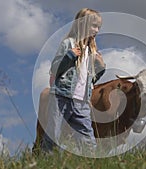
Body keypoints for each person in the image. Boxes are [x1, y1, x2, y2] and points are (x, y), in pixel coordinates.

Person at [41, 8, 105, 155]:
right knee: (53, 134)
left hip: (82, 102)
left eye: (98, 27)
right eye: (93, 25)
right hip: (62, 97)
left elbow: (91, 80)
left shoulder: (92, 52)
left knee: (88, 138)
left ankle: (90, 162)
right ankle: (44, 160)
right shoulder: (68, 44)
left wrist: (101, 68)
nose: (96, 30)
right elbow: (55, 69)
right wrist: (69, 56)